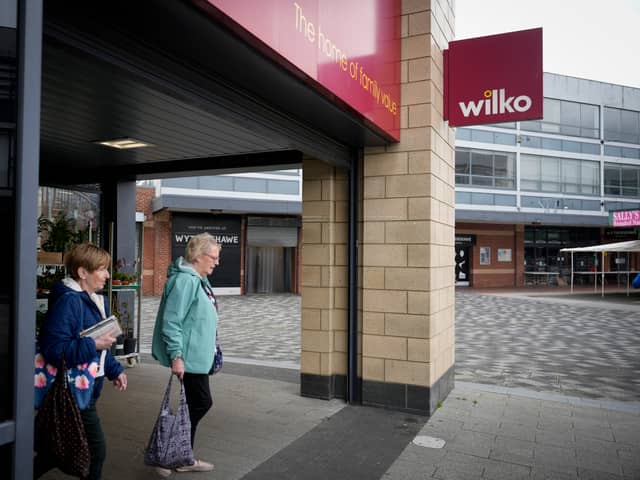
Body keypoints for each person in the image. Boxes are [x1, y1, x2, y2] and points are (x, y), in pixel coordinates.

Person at [35, 243, 127, 480]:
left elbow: (103, 346)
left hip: (86, 388)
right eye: (102, 269)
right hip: (73, 392)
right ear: (82, 272)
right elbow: (54, 349)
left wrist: (114, 369)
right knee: (96, 452)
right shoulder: (69, 302)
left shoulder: (97, 300)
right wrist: (92, 345)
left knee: (52, 453)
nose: (108, 275)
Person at [152, 233, 221, 474]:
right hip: (188, 358)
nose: (217, 261)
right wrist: (177, 356)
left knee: (192, 404)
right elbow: (172, 322)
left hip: (196, 357)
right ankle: (172, 455)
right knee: (201, 402)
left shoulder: (198, 278)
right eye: (213, 257)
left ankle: (181, 456)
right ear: (198, 256)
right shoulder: (186, 281)